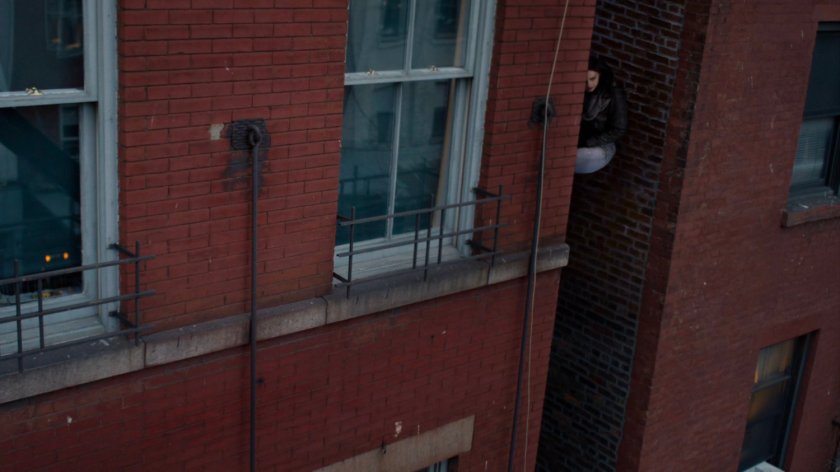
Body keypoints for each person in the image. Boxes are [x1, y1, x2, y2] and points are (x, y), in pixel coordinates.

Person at [575, 56, 628, 174]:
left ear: (600, 76)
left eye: (593, 78)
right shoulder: (577, 92)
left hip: (601, 146)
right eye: (584, 81)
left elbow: (618, 129)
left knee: (573, 158)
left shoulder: (613, 94)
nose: (589, 84)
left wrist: (590, 142)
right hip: (576, 142)